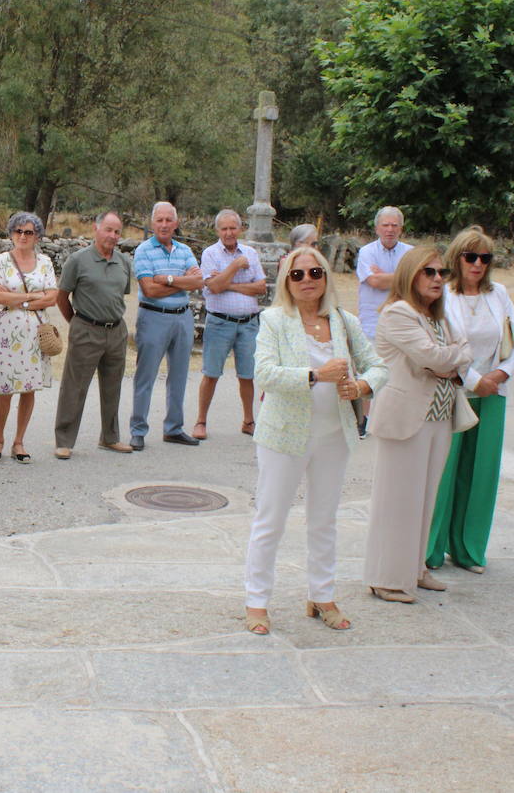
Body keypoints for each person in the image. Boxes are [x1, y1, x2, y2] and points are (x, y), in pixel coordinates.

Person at [243, 247, 386, 635]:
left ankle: (322, 595)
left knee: (324, 520)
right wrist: (315, 375)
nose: (308, 280)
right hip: (284, 436)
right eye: (297, 274)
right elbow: (265, 374)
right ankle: (257, 601)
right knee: (270, 520)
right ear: (286, 281)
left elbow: (379, 365)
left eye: (315, 272)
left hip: (334, 435)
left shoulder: (343, 321)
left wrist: (361, 386)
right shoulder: (273, 319)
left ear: (326, 277)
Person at [364, 246, 474, 603]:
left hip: (439, 416)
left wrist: (449, 359)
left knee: (425, 497)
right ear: (411, 275)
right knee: (397, 501)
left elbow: (460, 351)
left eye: (442, 273)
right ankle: (387, 578)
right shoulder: (398, 313)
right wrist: (449, 358)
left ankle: (415, 569)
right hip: (405, 418)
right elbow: (432, 356)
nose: (438, 279)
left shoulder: (437, 317)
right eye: (429, 272)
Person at [426, 227, 514, 574]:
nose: (478, 264)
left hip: (493, 393)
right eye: (471, 257)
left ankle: (469, 548)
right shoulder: (444, 295)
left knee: (480, 474)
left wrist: (500, 376)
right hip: (455, 393)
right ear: (457, 258)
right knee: (445, 472)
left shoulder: (498, 293)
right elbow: (441, 345)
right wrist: (473, 380)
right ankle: (432, 549)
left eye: (485, 258)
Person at [53, 211, 134, 458]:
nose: (112, 235)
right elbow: (61, 297)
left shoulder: (122, 262)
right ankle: (64, 441)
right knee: (74, 387)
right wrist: (77, 323)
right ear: (96, 229)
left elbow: (120, 295)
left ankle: (110, 438)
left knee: (112, 387)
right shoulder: (78, 260)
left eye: (117, 231)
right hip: (86, 330)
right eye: (108, 230)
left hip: (116, 331)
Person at [130, 201, 205, 450]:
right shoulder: (143, 250)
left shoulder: (184, 250)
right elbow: (149, 288)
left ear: (176, 223)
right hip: (153, 317)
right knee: (146, 375)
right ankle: (138, 430)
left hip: (182, 317)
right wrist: (182, 281)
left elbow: (198, 283)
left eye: (168, 220)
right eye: (159, 220)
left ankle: (173, 428)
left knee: (179, 375)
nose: (164, 225)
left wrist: (169, 278)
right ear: (152, 223)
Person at [0, 212, 58, 463]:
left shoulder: (45, 262)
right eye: (18, 231)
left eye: (29, 232)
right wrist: (31, 297)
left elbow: (52, 296)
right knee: (4, 388)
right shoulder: (0, 261)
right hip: (8, 333)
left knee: (29, 389)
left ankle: (19, 441)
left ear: (37, 235)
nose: (23, 236)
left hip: (36, 333)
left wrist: (15, 298)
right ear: (11, 234)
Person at [193, 209, 266, 440]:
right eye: (224, 229)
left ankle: (248, 421)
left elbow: (261, 288)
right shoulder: (211, 254)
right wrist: (235, 267)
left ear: (240, 228)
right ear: (217, 231)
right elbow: (212, 288)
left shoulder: (251, 253)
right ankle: (201, 421)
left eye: (232, 228)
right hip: (220, 323)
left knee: (247, 375)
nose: (228, 233)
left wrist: (227, 282)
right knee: (211, 373)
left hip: (248, 324)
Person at [356, 206, 412, 342]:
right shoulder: (366, 252)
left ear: (401, 229)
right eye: (385, 225)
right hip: (372, 323)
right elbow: (375, 282)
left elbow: (416, 282)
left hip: (403, 322)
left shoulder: (411, 253)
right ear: (376, 228)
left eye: (394, 225)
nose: (390, 229)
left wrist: (384, 275)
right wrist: (403, 277)